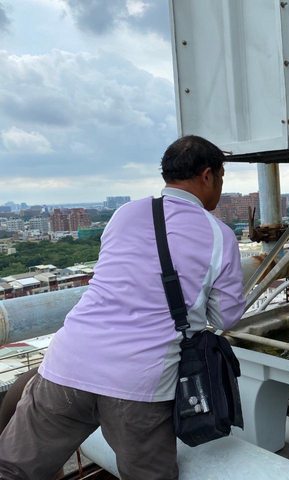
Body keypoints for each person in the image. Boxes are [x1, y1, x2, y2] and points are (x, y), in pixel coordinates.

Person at [0, 135, 245, 479]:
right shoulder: (218, 234)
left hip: (66, 365)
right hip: (138, 384)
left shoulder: (124, 214)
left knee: (12, 469)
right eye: (221, 177)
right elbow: (225, 316)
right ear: (207, 175)